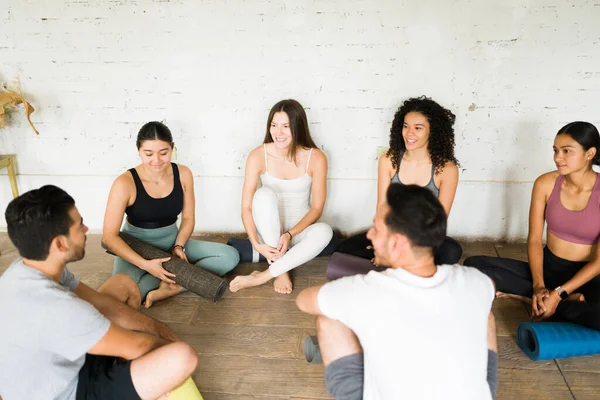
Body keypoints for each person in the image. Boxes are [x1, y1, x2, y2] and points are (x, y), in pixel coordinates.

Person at [296, 184, 497, 400]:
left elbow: (303, 300)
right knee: (486, 315)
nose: (370, 235)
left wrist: (357, 298)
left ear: (397, 243)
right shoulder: (476, 282)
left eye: (376, 229)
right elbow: (490, 287)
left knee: (329, 320)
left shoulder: (366, 290)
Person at [0, 185, 198, 400]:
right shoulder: (59, 308)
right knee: (182, 357)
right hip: (70, 392)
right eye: (79, 225)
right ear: (60, 243)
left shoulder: (26, 268)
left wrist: (158, 329)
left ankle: (122, 362)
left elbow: (100, 302)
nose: (86, 230)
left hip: (53, 367)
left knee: (122, 283)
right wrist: (166, 345)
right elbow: (138, 346)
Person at [465, 121, 600, 329]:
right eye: (555, 150)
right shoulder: (545, 183)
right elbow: (535, 239)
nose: (557, 158)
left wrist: (558, 293)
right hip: (550, 269)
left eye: (566, 151)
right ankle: (550, 300)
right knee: (474, 266)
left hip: (588, 278)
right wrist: (538, 286)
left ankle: (545, 301)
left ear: (589, 153)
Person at [103, 121, 239, 307]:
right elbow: (109, 237)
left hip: (172, 242)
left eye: (164, 153)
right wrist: (146, 265)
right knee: (126, 293)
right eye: (148, 154)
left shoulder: (183, 174)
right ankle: (173, 280)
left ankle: (172, 288)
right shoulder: (124, 183)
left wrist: (179, 246)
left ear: (172, 148)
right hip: (137, 249)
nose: (156, 160)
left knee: (229, 256)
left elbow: (189, 218)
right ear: (138, 150)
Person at [335, 96, 462, 266]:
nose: (409, 133)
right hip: (390, 233)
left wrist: (403, 250)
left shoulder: (447, 169)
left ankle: (393, 264)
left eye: (418, 128)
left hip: (421, 239)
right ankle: (401, 265)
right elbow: (381, 207)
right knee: (344, 248)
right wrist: (386, 246)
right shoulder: (388, 160)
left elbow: (440, 220)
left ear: (432, 131)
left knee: (451, 251)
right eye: (405, 126)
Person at [229, 99, 333, 294]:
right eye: (274, 126)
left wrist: (290, 234)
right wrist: (256, 244)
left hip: (297, 233)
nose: (278, 132)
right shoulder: (258, 155)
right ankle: (281, 269)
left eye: (286, 126)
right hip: (268, 235)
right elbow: (246, 208)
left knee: (325, 231)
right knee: (263, 194)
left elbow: (317, 208)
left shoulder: (316, 157)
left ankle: (265, 274)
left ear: (298, 127)